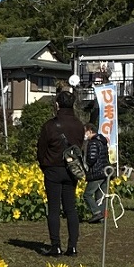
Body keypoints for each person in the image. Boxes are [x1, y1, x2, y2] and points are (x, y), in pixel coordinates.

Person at [36, 88, 87, 256]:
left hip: (53, 169)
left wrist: (45, 165)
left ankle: (56, 245)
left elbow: (41, 149)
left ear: (57, 105)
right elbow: (79, 147)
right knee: (70, 209)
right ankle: (72, 246)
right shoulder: (79, 125)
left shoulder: (50, 125)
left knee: (54, 209)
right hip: (71, 170)